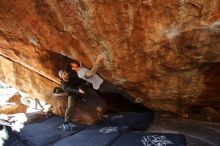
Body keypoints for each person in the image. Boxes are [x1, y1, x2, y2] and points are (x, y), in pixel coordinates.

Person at [70, 55, 144, 104]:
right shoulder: (80, 72)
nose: (73, 62)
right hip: (102, 86)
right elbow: (91, 73)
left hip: (103, 83)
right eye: (72, 64)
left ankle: (134, 99)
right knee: (119, 89)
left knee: (120, 88)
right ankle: (134, 101)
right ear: (72, 68)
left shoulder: (81, 67)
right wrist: (98, 61)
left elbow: (80, 63)